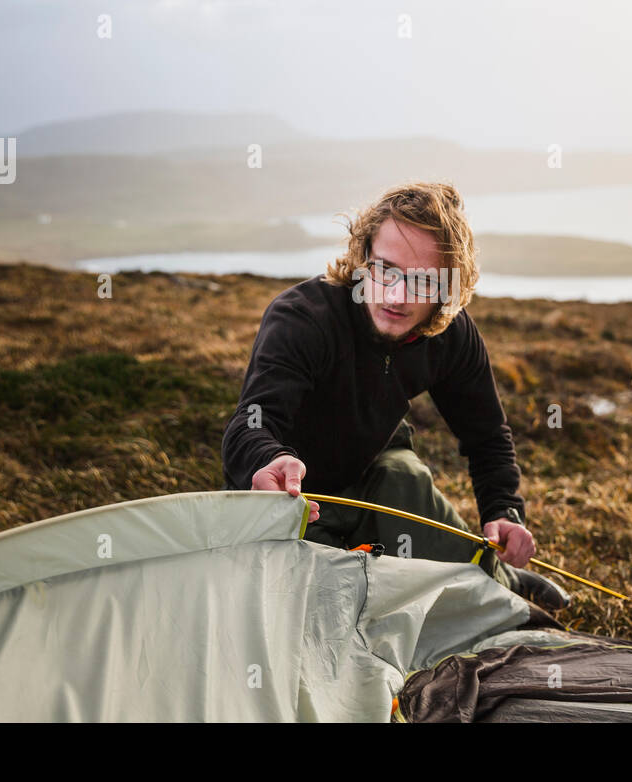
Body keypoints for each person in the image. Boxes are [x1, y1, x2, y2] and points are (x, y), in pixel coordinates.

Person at [220, 182, 570, 610]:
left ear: (448, 285)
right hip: (294, 498)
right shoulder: (302, 318)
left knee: (406, 479)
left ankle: (500, 578)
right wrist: (266, 461)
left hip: (378, 476)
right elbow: (250, 423)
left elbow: (487, 438)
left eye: (423, 281)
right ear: (363, 254)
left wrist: (504, 511)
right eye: (385, 269)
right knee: (333, 609)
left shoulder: (450, 334)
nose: (396, 296)